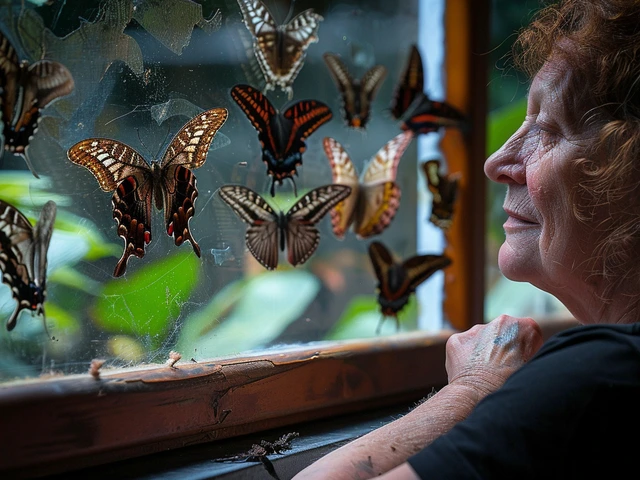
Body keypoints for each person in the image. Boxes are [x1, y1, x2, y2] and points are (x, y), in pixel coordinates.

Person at [292, 0, 640, 478]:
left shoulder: (601, 377)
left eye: (546, 129)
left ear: (629, 172)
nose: (495, 162)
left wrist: (474, 388)